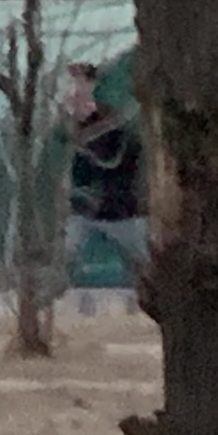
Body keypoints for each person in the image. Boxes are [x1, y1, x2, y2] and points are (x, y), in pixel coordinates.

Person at [59, 59, 151, 298]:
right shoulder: (72, 131)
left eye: (82, 88)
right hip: (84, 211)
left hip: (121, 211)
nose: (74, 98)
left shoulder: (114, 127)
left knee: (148, 259)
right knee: (63, 254)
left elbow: (119, 158)